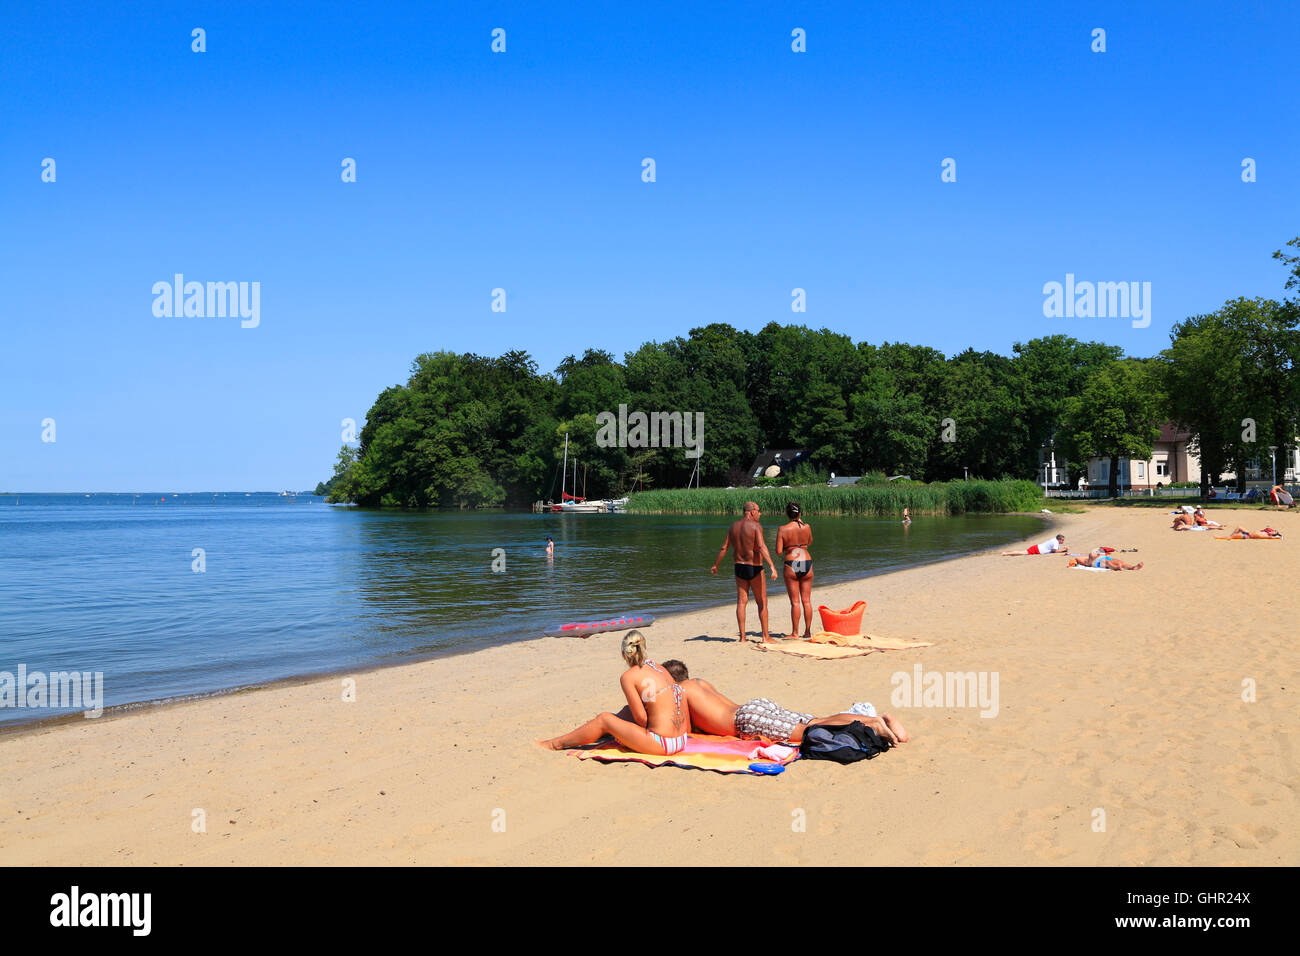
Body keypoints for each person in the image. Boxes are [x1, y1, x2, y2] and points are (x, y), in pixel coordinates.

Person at [611, 660, 907, 746]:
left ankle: (874, 724)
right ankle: (875, 719)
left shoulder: (681, 693)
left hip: (747, 720)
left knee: (811, 729)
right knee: (814, 719)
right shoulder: (700, 683)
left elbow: (682, 732)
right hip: (753, 707)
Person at [538, 631, 692, 755]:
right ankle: (599, 732)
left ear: (624, 654)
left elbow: (641, 719)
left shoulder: (628, 677)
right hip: (681, 739)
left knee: (604, 719)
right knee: (626, 711)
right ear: (644, 649)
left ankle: (555, 744)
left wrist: (627, 735)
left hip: (663, 744)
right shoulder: (659, 667)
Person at [710, 501, 778, 643]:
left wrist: (716, 565)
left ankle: (742, 637)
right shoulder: (756, 526)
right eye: (759, 511)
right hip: (754, 567)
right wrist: (772, 566)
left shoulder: (733, 527)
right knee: (762, 602)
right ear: (752, 511)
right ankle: (766, 637)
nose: (760, 514)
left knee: (741, 602)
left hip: (739, 566)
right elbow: (760, 546)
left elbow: (724, 548)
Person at [774, 502, 815, 640]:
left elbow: (778, 552)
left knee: (795, 602)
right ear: (800, 513)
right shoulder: (807, 527)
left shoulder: (783, 529)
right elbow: (809, 542)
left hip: (792, 562)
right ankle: (808, 632)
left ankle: (795, 633)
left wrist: (788, 546)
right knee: (806, 600)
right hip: (806, 561)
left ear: (787, 514)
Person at [1067, 550, 1143, 570]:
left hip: (1104, 558)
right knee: (1106, 562)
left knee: (1119, 561)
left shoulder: (1088, 557)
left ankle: (1133, 567)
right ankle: (1115, 568)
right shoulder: (1084, 560)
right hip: (1098, 562)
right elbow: (1076, 559)